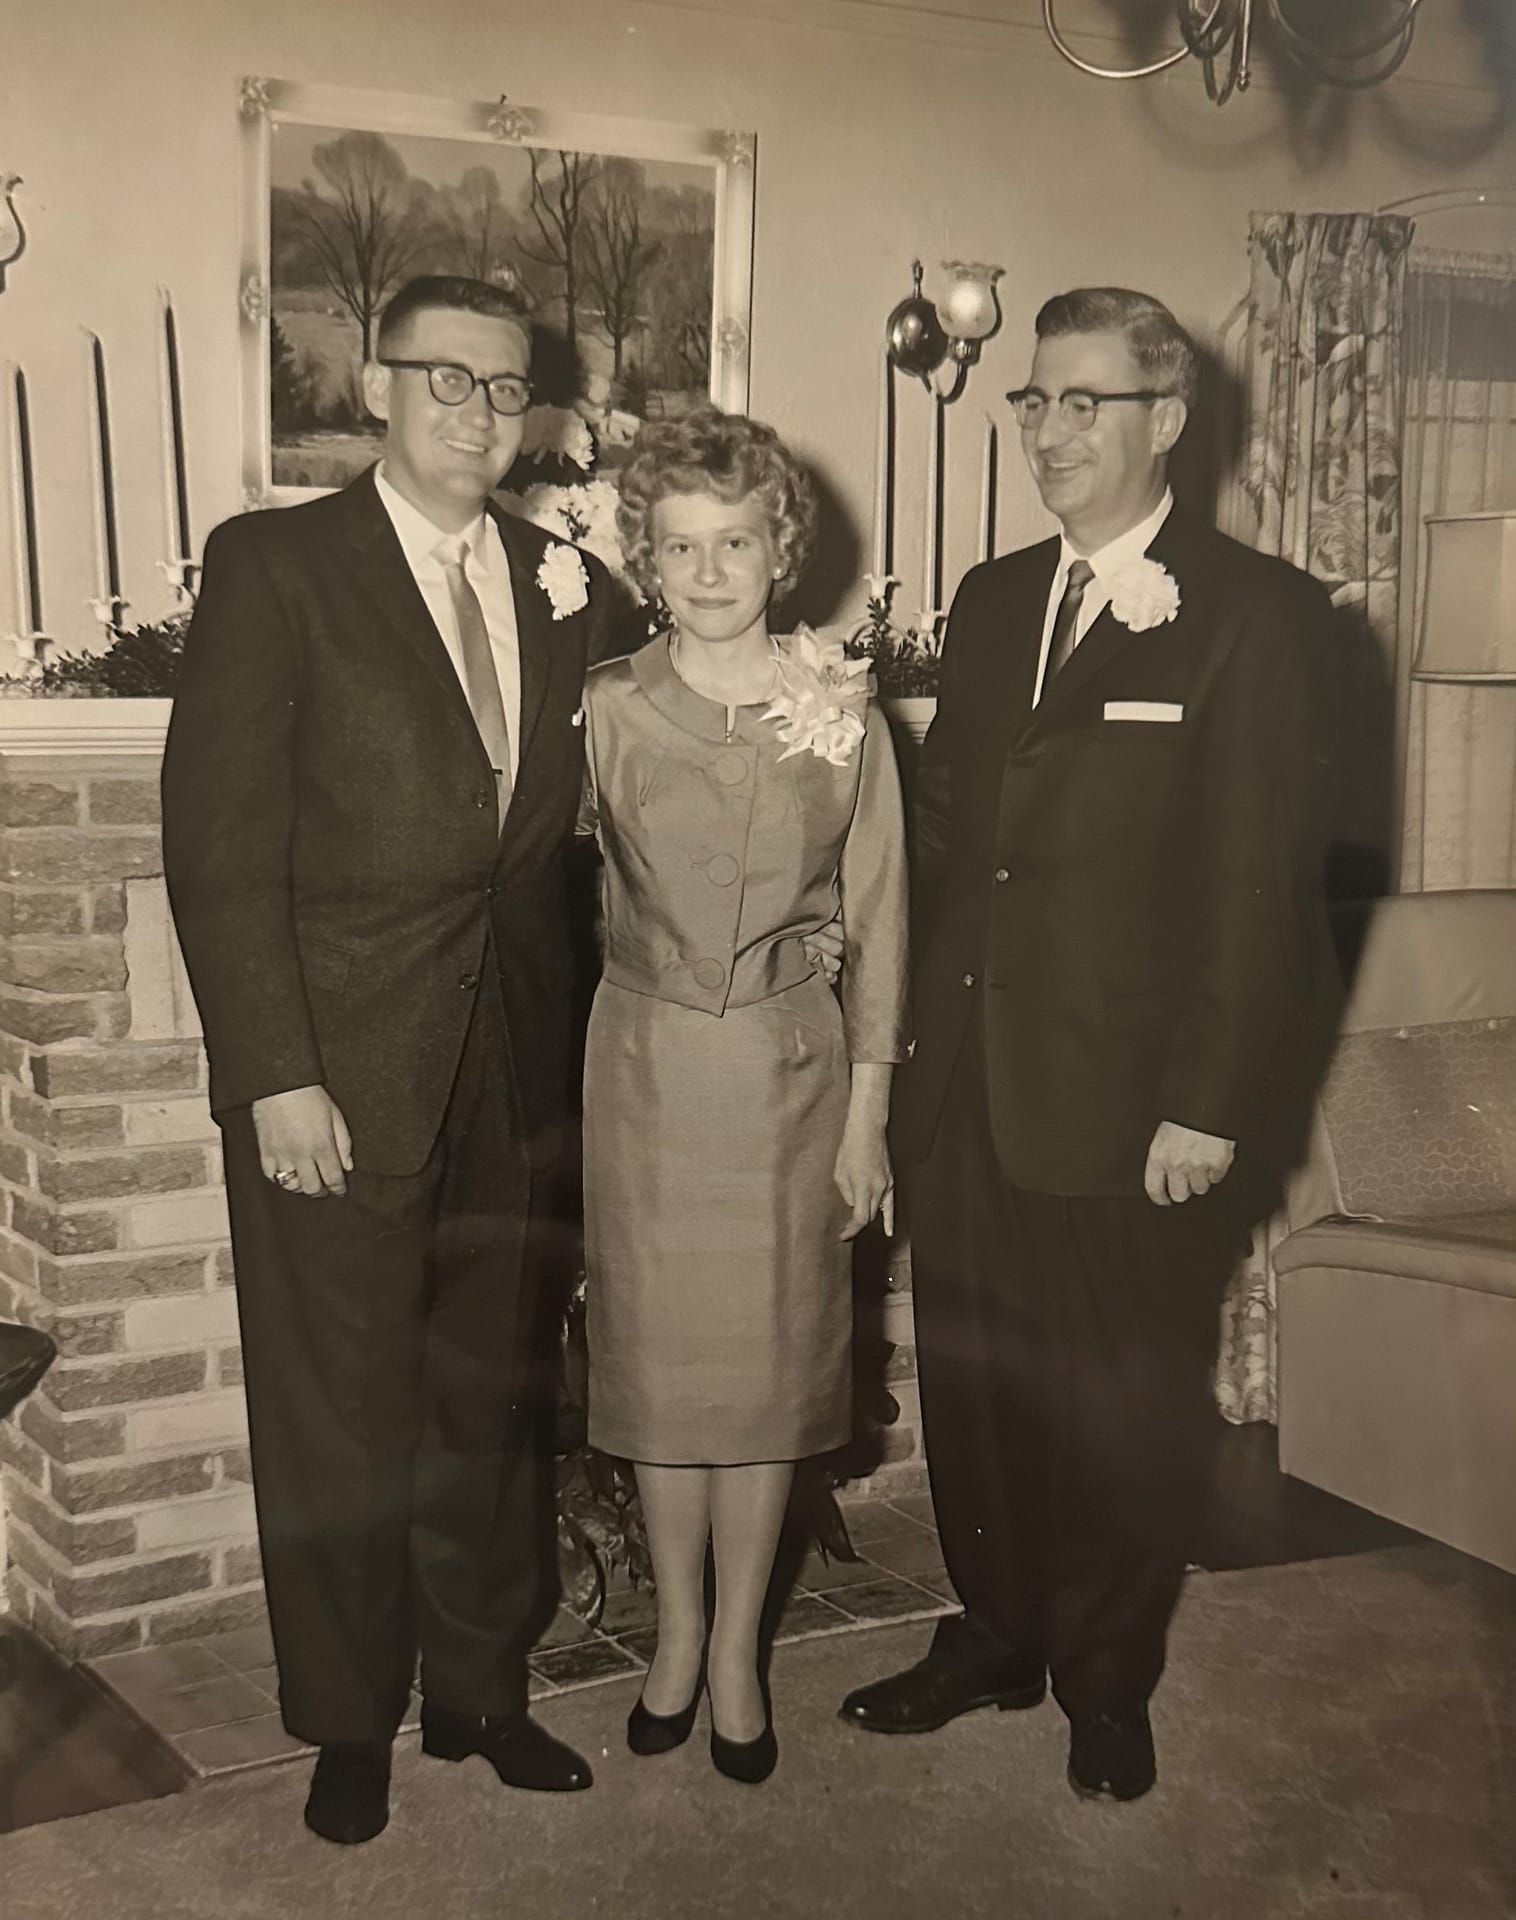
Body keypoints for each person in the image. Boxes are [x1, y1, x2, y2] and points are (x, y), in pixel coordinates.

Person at [842, 289, 1336, 1801]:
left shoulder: (1259, 617)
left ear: (1165, 421)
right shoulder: (994, 603)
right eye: (1032, 404)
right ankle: (994, 1631)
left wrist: (1207, 1105)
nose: (1048, 433)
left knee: (1123, 1399)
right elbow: (944, 849)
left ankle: (1106, 1678)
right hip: (969, 1093)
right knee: (982, 1387)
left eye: (1082, 404)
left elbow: (1264, 892)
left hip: (1136, 1114)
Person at [161, 275, 611, 1846]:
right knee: (338, 1405)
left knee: (487, 1396)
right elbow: (216, 850)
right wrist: (274, 1070)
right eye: (449, 381)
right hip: (336, 1075)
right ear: (376, 385)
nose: (482, 414)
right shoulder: (277, 564)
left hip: (516, 1068)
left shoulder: (574, 583)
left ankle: (484, 1696)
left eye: (509, 389)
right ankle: (349, 1723)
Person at [579, 408, 908, 1784]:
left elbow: (881, 919)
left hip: (791, 1081)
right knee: (663, 1376)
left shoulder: (845, 713)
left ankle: (735, 1663)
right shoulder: (606, 708)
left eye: (734, 541)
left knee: (767, 1379)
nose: (707, 570)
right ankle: (675, 1635)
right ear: (646, 562)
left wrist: (868, 1118)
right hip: (648, 1073)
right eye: (678, 545)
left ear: (782, 550)